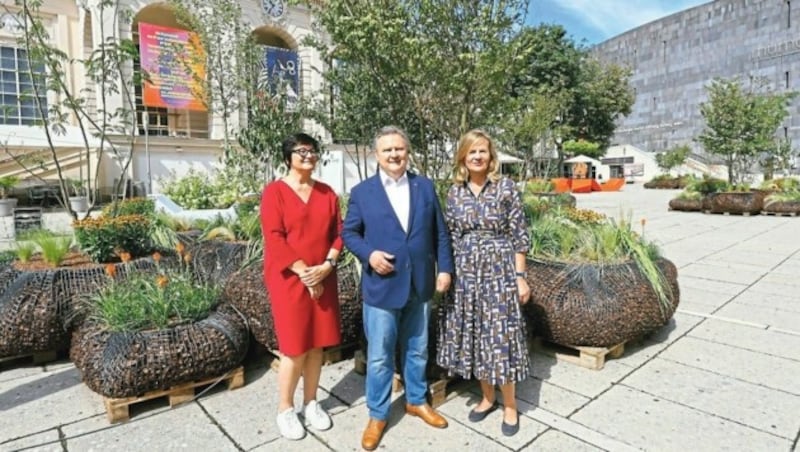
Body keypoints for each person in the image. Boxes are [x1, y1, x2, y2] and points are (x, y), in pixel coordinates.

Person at [342, 126, 454, 451]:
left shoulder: (424, 187)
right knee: (379, 357)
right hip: (382, 287)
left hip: (419, 284)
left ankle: (416, 400)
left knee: (418, 348)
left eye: (399, 149)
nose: (394, 155)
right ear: (376, 155)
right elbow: (350, 233)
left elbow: (440, 233)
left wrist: (444, 269)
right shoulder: (363, 192)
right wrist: (370, 255)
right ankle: (378, 414)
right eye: (387, 150)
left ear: (408, 151)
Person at [436, 129, 531, 437]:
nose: (477, 157)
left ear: (491, 157)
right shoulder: (455, 192)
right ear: (463, 156)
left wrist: (520, 277)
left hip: (499, 271)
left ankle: (510, 405)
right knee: (476, 335)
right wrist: (446, 271)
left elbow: (519, 234)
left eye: (483, 151)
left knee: (499, 337)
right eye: (471, 151)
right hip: (465, 273)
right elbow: (449, 235)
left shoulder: (505, 187)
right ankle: (487, 398)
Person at [260, 132, 343, 440]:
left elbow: (340, 232)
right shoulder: (275, 193)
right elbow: (274, 236)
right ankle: (285, 408)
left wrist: (326, 266)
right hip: (289, 279)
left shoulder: (327, 193)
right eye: (300, 151)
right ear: (288, 157)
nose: (308, 155)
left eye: (312, 151)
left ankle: (311, 403)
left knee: (317, 343)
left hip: (323, 275)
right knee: (294, 347)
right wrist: (304, 273)